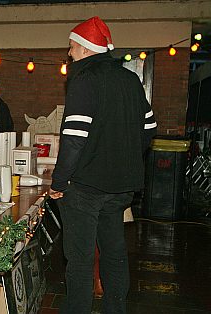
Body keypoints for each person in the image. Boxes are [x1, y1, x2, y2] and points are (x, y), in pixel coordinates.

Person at [49, 16, 157, 314]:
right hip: (121, 187)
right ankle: (115, 309)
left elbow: (73, 140)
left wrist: (58, 183)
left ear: (85, 49)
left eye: (71, 47)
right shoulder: (130, 79)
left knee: (80, 259)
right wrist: (125, 156)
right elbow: (150, 128)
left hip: (85, 188)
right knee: (114, 253)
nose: (69, 53)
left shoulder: (84, 80)